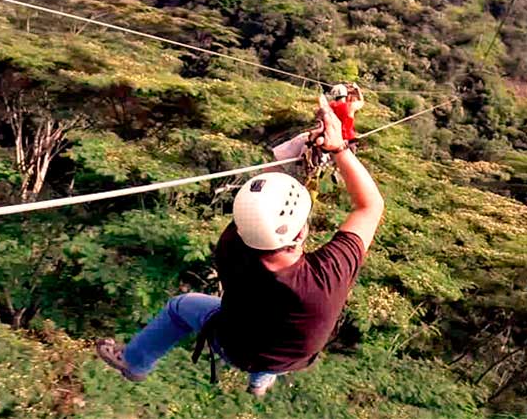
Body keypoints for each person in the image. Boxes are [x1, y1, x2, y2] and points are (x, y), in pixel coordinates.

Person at [96, 103, 384, 397]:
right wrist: (339, 150)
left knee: (180, 307)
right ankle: (260, 381)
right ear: (300, 234)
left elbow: (259, 203)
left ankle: (135, 363)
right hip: (291, 359)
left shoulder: (232, 248)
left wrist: (299, 151)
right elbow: (370, 207)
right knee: (278, 342)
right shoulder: (327, 278)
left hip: (234, 346)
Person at [329, 83, 364, 153]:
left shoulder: (330, 105)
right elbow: (361, 102)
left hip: (334, 139)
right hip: (348, 139)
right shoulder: (350, 106)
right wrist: (358, 90)